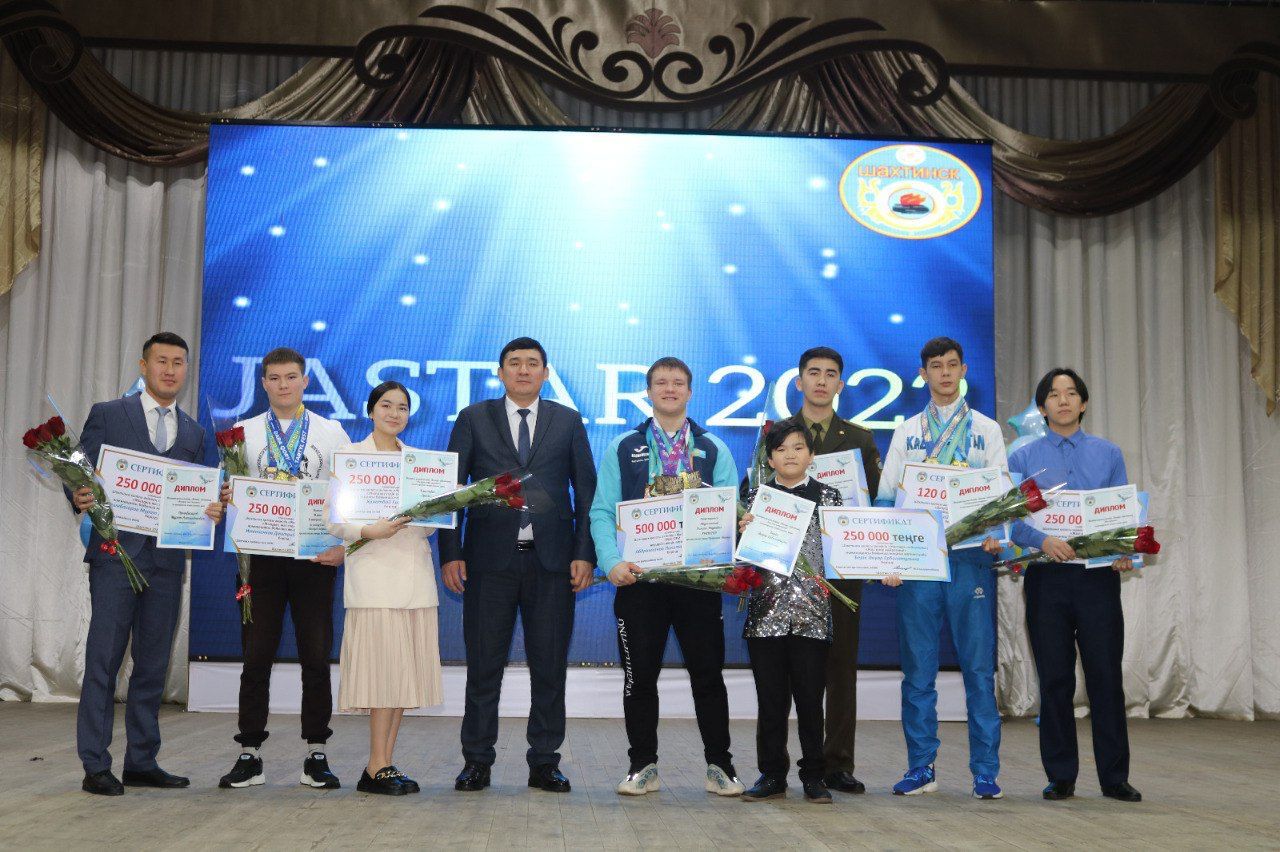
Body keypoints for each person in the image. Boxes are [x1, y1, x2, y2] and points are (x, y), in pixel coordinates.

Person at [439, 337, 596, 794]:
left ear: (545, 373)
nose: (523, 370)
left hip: (552, 565)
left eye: (532, 364)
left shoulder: (567, 421)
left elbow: (586, 491)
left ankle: (545, 761)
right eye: (514, 363)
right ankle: (476, 760)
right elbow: (451, 490)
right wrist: (451, 553)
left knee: (549, 667)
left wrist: (584, 552)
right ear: (500, 371)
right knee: (483, 666)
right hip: (488, 564)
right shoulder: (473, 418)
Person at [70, 332, 223, 796]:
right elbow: (78, 469)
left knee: (153, 665)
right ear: (143, 365)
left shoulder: (195, 433)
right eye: (162, 361)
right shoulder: (108, 414)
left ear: (186, 369)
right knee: (104, 660)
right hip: (115, 556)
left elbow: (199, 493)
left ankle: (141, 760)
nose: (170, 370)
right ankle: (95, 764)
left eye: (178, 362)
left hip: (168, 563)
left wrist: (210, 509)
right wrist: (78, 493)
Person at [591, 356, 743, 798]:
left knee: (708, 677)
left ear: (690, 392)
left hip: (697, 584)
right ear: (649, 391)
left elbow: (730, 510)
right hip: (640, 582)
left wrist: (733, 537)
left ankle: (720, 766)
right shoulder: (624, 447)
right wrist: (611, 562)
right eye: (661, 382)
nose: (670, 389)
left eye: (678, 383)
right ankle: (643, 766)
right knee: (639, 679)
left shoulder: (713, 447)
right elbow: (602, 511)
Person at [876, 336, 1007, 800]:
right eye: (936, 365)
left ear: (964, 369)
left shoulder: (986, 430)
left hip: (970, 560)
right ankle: (921, 768)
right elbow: (887, 498)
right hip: (918, 563)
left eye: (952, 364)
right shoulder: (907, 431)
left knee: (978, 671)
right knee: (918, 673)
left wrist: (999, 534)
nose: (945, 373)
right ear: (924, 373)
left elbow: (1001, 493)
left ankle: (985, 772)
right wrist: (889, 557)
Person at [217, 347, 351, 790]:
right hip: (260, 560)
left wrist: (343, 546)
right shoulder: (242, 433)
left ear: (305, 381)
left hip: (314, 558)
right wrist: (225, 498)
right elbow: (227, 490)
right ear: (263, 383)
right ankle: (249, 752)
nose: (283, 385)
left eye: (291, 377)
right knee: (256, 656)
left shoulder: (331, 432)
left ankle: (317, 752)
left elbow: (348, 494)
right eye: (274, 378)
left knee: (315, 655)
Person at [1008, 368, 1142, 803]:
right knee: (1055, 679)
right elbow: (1012, 520)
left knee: (1105, 677)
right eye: (1053, 394)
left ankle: (1114, 777)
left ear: (1083, 403)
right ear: (1042, 406)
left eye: (1071, 394)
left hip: (1097, 579)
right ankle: (1061, 775)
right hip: (1046, 577)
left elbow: (1122, 516)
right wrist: (1042, 539)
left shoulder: (1108, 453)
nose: (1062, 400)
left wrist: (1123, 548)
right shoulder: (1023, 458)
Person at [328, 381, 443, 796]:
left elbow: (431, 526)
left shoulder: (421, 463)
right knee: (383, 677)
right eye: (386, 405)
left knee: (400, 679)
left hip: (414, 580)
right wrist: (367, 530)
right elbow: (334, 521)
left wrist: (429, 514)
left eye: (402, 408)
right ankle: (376, 764)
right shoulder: (350, 458)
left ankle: (383, 763)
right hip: (374, 580)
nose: (395, 413)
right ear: (371, 410)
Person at [738, 419, 843, 804]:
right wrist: (741, 532)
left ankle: (814, 775)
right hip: (766, 615)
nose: (790, 455)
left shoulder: (829, 497)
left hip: (812, 615)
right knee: (771, 702)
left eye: (798, 447)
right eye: (781, 450)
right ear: (770, 459)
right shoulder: (755, 498)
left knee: (811, 702)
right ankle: (771, 775)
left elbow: (846, 550)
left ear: (811, 455)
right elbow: (737, 559)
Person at [793, 346, 881, 794]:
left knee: (841, 667)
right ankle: (788, 763)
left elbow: (875, 503)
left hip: (844, 566)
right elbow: (759, 492)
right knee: (791, 669)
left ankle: (838, 763)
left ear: (840, 384)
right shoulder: (777, 433)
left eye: (830, 374)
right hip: (793, 571)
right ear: (799, 381)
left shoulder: (860, 439)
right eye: (814, 373)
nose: (821, 381)